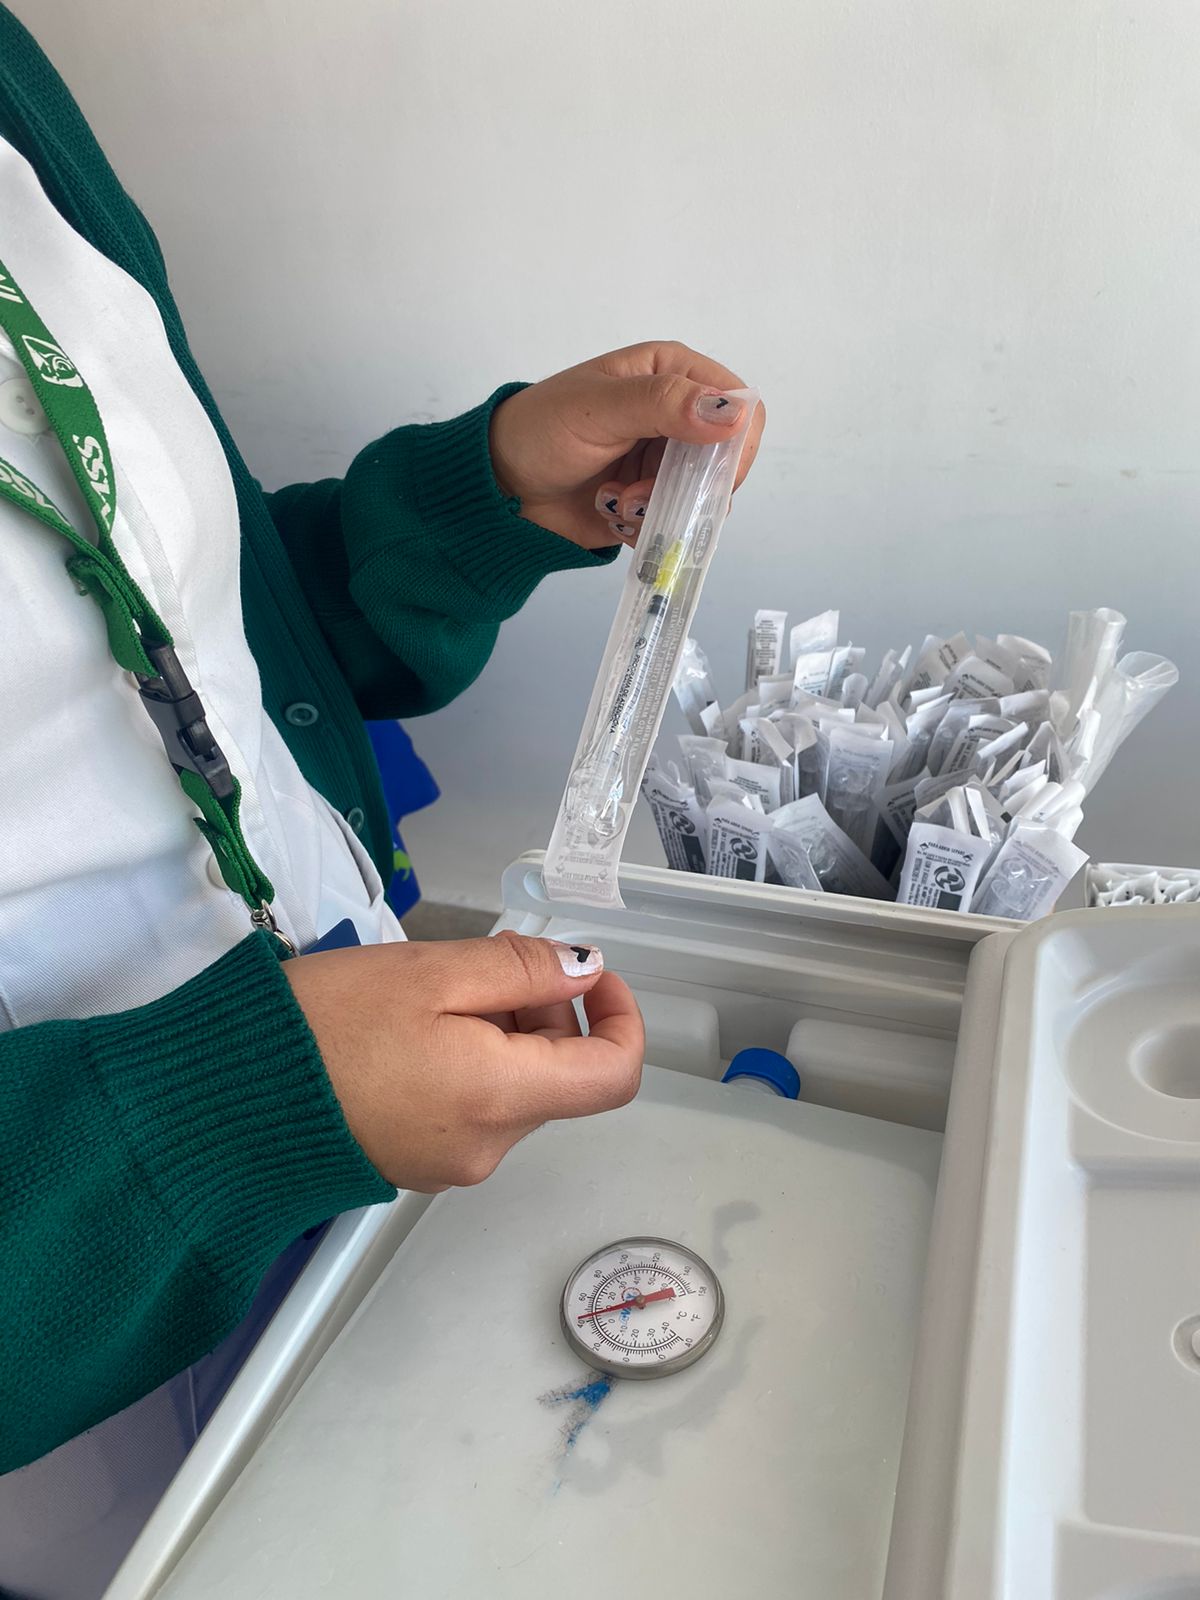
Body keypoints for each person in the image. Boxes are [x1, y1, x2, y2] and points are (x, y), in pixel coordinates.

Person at [0, 7, 764, 1592]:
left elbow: (167, 632)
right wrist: (229, 1120)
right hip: (75, 1337)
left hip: (361, 1087)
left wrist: (469, 506)